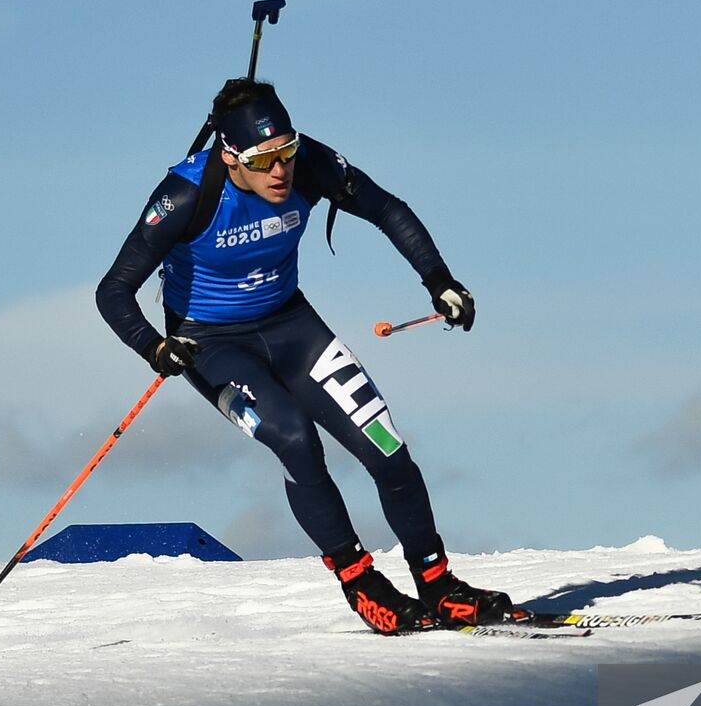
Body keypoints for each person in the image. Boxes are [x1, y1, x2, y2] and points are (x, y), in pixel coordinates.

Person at [96, 78, 512, 634]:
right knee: (296, 440)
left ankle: (438, 585)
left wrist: (439, 281)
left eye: (286, 152)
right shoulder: (186, 195)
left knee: (386, 449)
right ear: (229, 157)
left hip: (292, 325)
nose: (280, 171)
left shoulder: (308, 162)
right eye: (264, 159)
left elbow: (388, 208)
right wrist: (155, 347)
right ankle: (360, 582)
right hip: (210, 343)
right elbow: (113, 291)